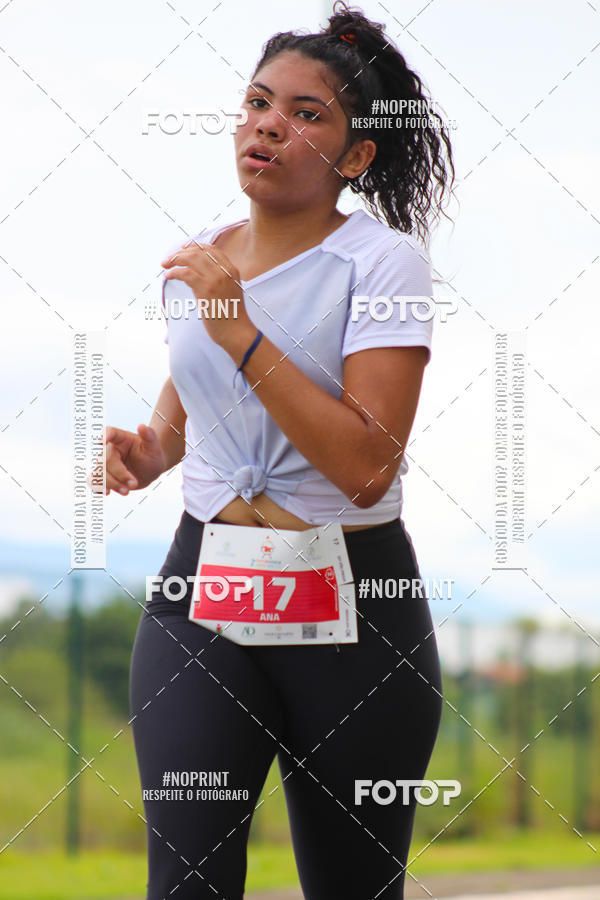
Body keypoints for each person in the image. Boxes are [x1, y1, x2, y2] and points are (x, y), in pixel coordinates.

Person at [105, 3, 455, 897]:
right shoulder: (205, 259)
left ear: (356, 156)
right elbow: (194, 411)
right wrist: (151, 452)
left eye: (309, 113)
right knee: (184, 881)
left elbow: (367, 463)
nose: (270, 123)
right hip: (203, 586)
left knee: (352, 885)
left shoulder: (381, 265)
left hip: (352, 600)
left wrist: (240, 329)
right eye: (260, 102)